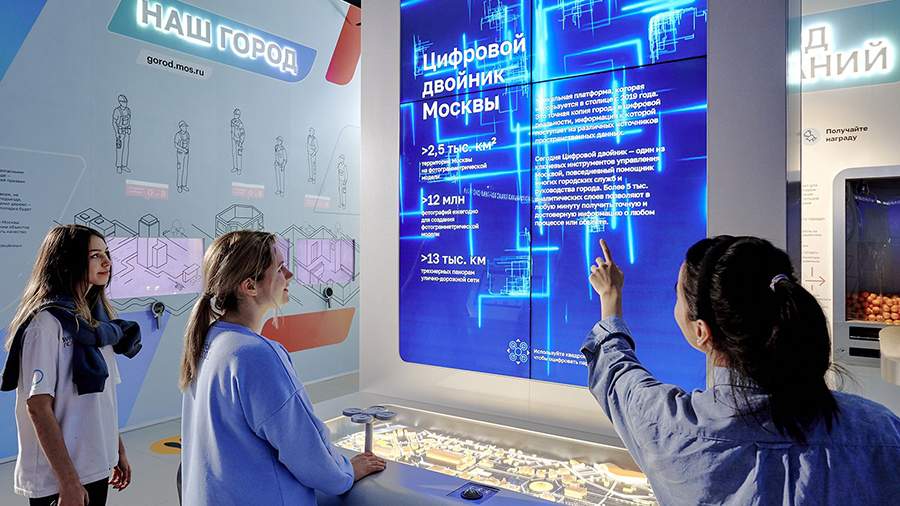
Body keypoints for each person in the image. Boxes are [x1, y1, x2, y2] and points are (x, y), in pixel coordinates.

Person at [583, 236, 900, 505]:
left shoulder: (673, 432)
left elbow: (617, 374)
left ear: (701, 331)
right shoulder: (883, 433)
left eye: (676, 294)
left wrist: (610, 297)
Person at [179, 230, 384, 505]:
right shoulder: (256, 354)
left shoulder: (209, 339)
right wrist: (346, 471)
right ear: (250, 286)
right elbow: (305, 450)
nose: (289, 275)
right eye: (279, 268)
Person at [1, 224, 141, 505]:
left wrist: (116, 450)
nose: (107, 262)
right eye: (95, 255)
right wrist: (68, 481)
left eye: (106, 253)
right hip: (59, 477)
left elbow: (103, 400)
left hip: (95, 465)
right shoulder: (45, 324)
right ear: (67, 262)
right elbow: (38, 407)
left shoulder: (98, 325)